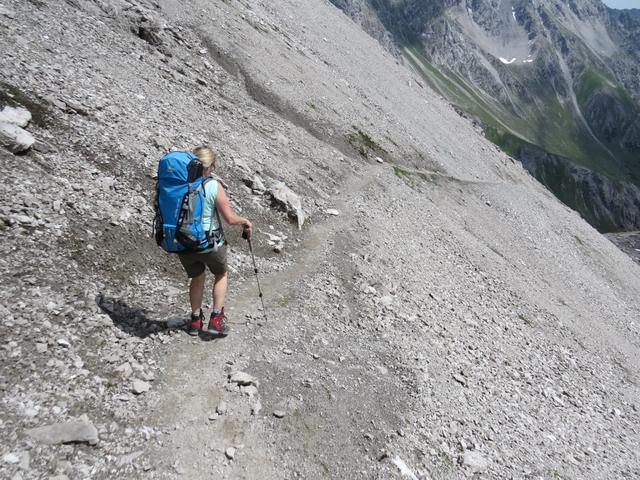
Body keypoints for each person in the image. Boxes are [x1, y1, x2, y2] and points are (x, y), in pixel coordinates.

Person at [178, 145, 252, 336]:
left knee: (197, 277)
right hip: (210, 242)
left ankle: (195, 321)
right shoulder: (213, 185)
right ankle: (216, 319)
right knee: (221, 274)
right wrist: (244, 221)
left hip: (184, 242)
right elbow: (229, 218)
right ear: (210, 166)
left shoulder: (179, 183)